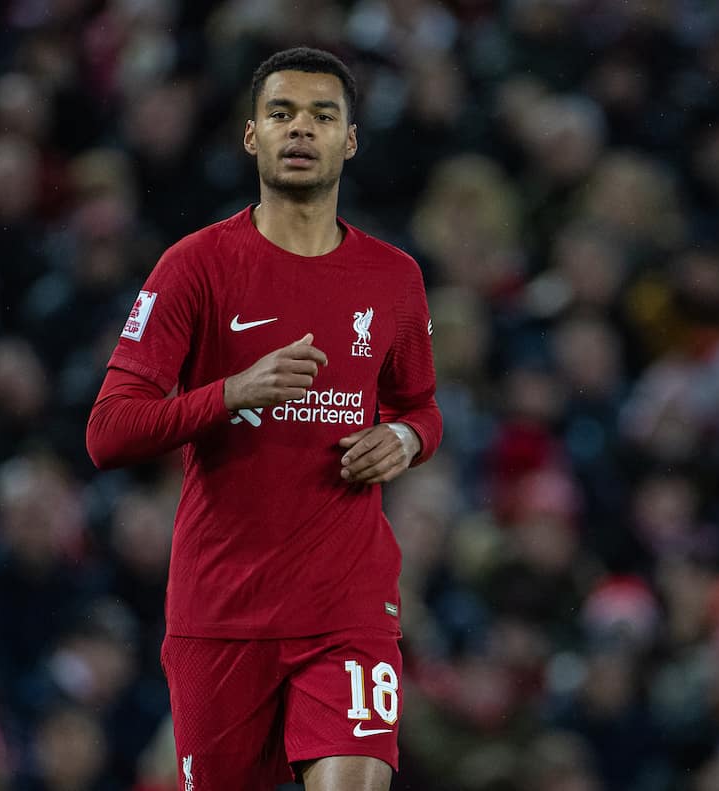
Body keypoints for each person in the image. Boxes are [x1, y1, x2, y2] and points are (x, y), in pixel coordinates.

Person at [85, 47, 443, 791]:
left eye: (323, 115)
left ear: (351, 139)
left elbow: (421, 406)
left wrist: (404, 439)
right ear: (252, 136)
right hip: (223, 609)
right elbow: (109, 430)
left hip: (348, 606)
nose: (301, 129)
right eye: (281, 113)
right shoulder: (195, 266)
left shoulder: (394, 278)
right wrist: (231, 392)